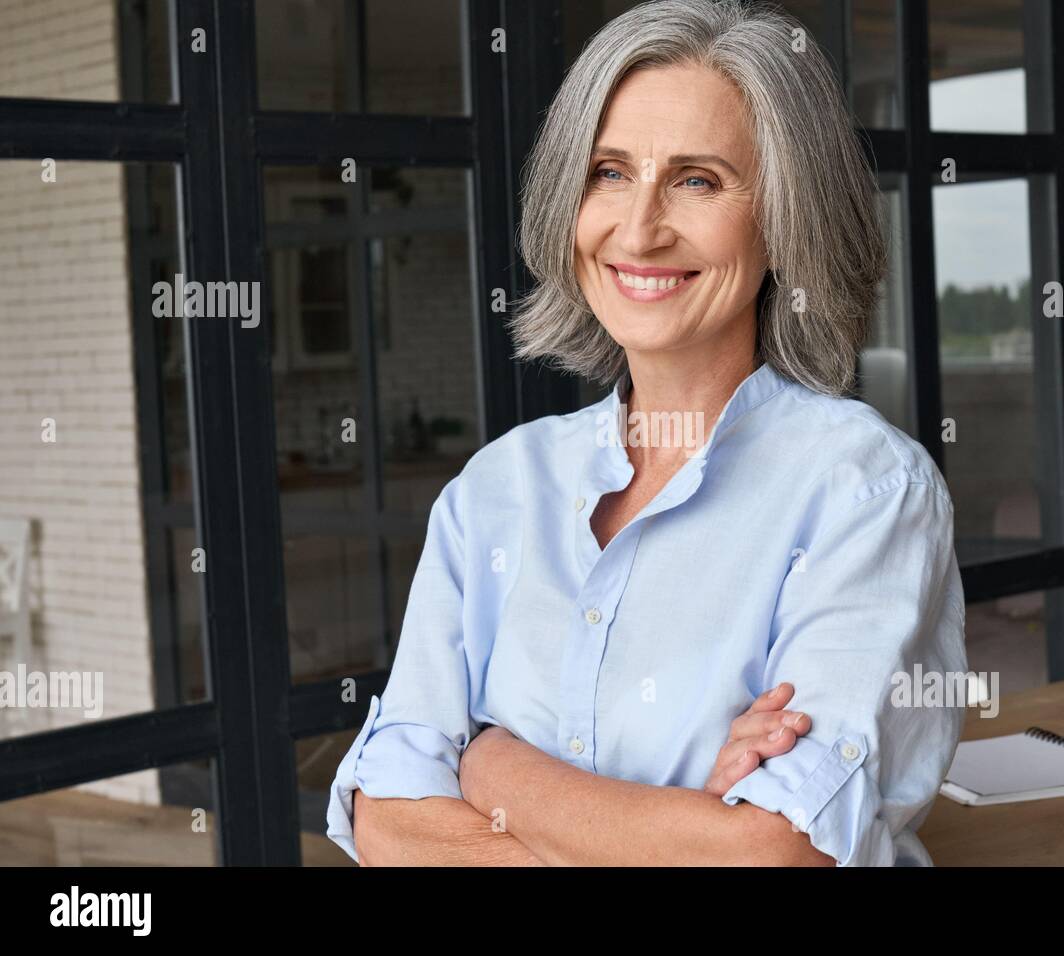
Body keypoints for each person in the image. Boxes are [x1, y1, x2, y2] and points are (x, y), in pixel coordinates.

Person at [326, 0, 966, 866]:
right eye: (609, 172)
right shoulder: (494, 492)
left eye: (698, 180)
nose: (639, 228)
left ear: (784, 219)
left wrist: (493, 765)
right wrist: (680, 826)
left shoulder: (866, 490)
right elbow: (387, 821)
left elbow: (773, 856)